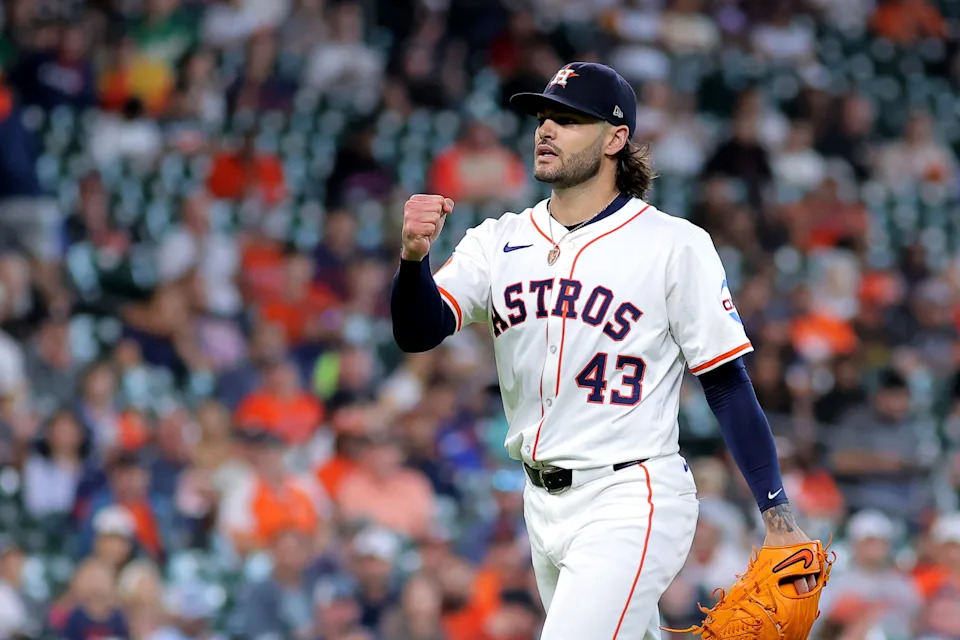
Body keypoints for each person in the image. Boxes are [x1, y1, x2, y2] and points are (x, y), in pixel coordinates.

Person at [390, 61, 822, 638]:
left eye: (568, 120)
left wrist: (777, 513)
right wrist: (414, 260)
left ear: (616, 138)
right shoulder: (497, 240)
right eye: (544, 116)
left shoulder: (672, 244)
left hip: (631, 495)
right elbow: (417, 331)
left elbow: (725, 381)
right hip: (540, 502)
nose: (546, 130)